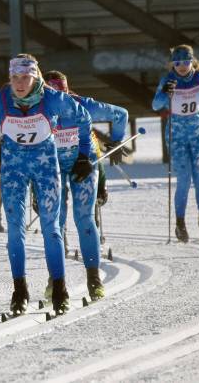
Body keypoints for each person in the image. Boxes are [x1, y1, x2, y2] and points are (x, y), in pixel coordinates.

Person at [0, 54, 93, 316]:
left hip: (46, 167)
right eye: (14, 78)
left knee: (51, 228)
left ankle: (59, 289)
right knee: (15, 230)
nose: (20, 83)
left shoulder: (52, 98)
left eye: (25, 77)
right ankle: (19, 290)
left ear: (36, 77)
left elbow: (84, 119)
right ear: (9, 78)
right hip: (14, 169)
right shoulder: (0, 101)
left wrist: (83, 155)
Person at [45, 70, 129, 300]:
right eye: (54, 94)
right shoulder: (39, 109)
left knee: (84, 218)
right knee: (54, 221)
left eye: (63, 93)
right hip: (52, 168)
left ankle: (94, 278)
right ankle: (55, 279)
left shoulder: (82, 104)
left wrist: (116, 142)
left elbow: (121, 114)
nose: (61, 101)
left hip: (84, 165)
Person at [151, 45, 199, 242]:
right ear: (172, 64)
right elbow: (155, 105)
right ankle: (180, 223)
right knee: (184, 178)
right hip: (176, 132)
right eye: (177, 63)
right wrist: (164, 92)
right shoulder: (168, 79)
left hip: (197, 130)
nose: (182, 67)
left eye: (185, 62)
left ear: (192, 61)